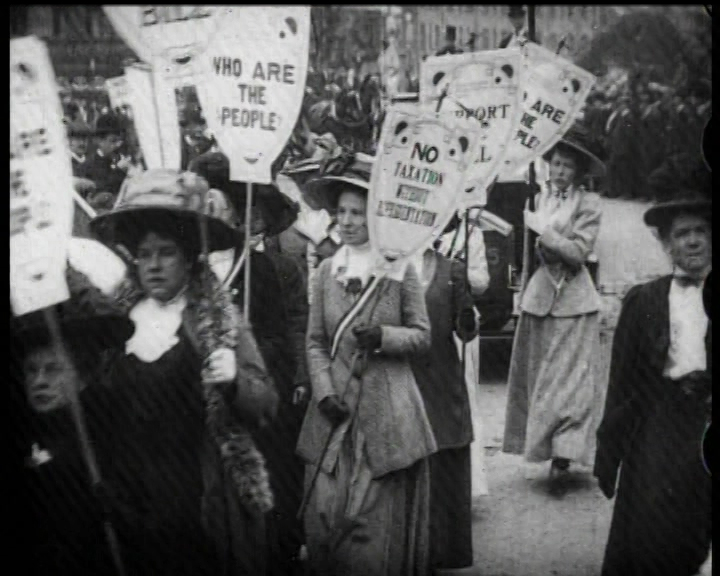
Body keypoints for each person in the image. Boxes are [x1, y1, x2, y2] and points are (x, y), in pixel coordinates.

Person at [89, 169, 278, 576]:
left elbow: (265, 406)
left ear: (190, 257)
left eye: (166, 252)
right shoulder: (114, 323)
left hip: (195, 494)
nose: (153, 265)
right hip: (127, 492)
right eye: (144, 254)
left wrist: (233, 384)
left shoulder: (217, 321)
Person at [296, 152, 436, 575]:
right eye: (341, 211)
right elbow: (316, 343)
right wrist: (323, 392)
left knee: (371, 525)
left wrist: (386, 338)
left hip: (385, 410)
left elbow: (423, 334)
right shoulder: (323, 273)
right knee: (323, 515)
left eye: (358, 212)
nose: (348, 220)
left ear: (375, 217)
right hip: (334, 410)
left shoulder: (398, 268)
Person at [188, 150, 308, 575]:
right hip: (197, 410)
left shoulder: (256, 267)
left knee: (260, 495)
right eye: (200, 205)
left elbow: (279, 336)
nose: (209, 212)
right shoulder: (187, 271)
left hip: (251, 400)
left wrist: (245, 357)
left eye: (216, 205)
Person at [594, 192, 712, 576]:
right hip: (661, 421)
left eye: (701, 231)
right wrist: (610, 451)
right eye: (681, 234)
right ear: (665, 244)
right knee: (654, 524)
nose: (692, 241)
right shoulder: (645, 300)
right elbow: (622, 380)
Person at [502, 131, 606, 497]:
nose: (560, 171)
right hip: (539, 298)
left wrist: (545, 233)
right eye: (556, 163)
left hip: (575, 301)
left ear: (578, 172)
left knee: (569, 382)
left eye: (568, 166)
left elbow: (579, 253)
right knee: (540, 380)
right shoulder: (538, 199)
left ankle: (565, 455)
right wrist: (521, 292)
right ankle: (545, 448)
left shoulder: (588, 204)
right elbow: (527, 257)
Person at [13, 267, 134, 576]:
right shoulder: (22, 430)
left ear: (81, 376)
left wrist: (118, 510)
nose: (39, 381)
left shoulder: (110, 425)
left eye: (52, 369)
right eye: (31, 370)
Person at [408, 245, 479, 574]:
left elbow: (466, 332)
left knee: (441, 464)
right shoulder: (386, 265)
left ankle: (438, 553)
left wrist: (467, 318)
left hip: (440, 378)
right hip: (401, 379)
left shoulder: (452, 271)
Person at [83, 112, 134, 198]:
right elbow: (101, 189)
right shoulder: (88, 166)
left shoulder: (120, 160)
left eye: (120, 141)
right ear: (99, 141)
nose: (118, 145)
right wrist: (120, 171)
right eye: (113, 141)